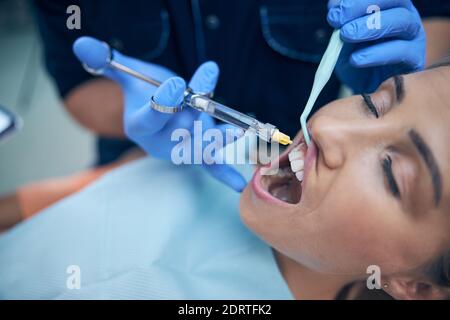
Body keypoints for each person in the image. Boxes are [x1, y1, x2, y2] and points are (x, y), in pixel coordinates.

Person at [1, 59, 450, 300]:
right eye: (373, 103)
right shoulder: (239, 150)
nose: (327, 128)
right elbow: (88, 193)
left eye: (392, 171)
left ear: (420, 287)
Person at [33, 0, 450, 191]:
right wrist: (142, 107)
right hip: (147, 164)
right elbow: (79, 86)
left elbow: (432, 19)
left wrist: (391, 85)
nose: (329, 133)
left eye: (392, 171)